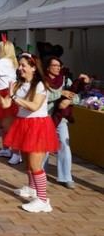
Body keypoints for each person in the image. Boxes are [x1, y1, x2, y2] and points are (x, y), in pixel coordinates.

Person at [0, 53, 59, 213]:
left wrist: (13, 96)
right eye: (20, 65)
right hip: (23, 124)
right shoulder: (18, 84)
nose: (20, 68)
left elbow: (34, 106)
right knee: (27, 162)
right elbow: (6, 104)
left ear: (33, 68)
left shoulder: (40, 85)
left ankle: (43, 200)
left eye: (23, 65)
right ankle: (32, 188)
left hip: (38, 126)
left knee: (36, 165)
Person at [42, 57, 89, 189]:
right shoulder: (42, 80)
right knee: (44, 146)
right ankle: (40, 172)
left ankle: (65, 177)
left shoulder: (65, 80)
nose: (58, 68)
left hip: (60, 118)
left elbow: (77, 97)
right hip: (45, 117)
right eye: (55, 65)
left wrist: (68, 101)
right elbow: (42, 97)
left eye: (59, 65)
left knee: (64, 144)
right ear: (48, 67)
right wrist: (60, 93)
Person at [0, 41, 19, 163]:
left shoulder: (2, 61)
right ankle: (7, 148)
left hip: (4, 92)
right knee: (5, 124)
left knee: (8, 125)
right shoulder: (12, 62)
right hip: (8, 91)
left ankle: (16, 153)